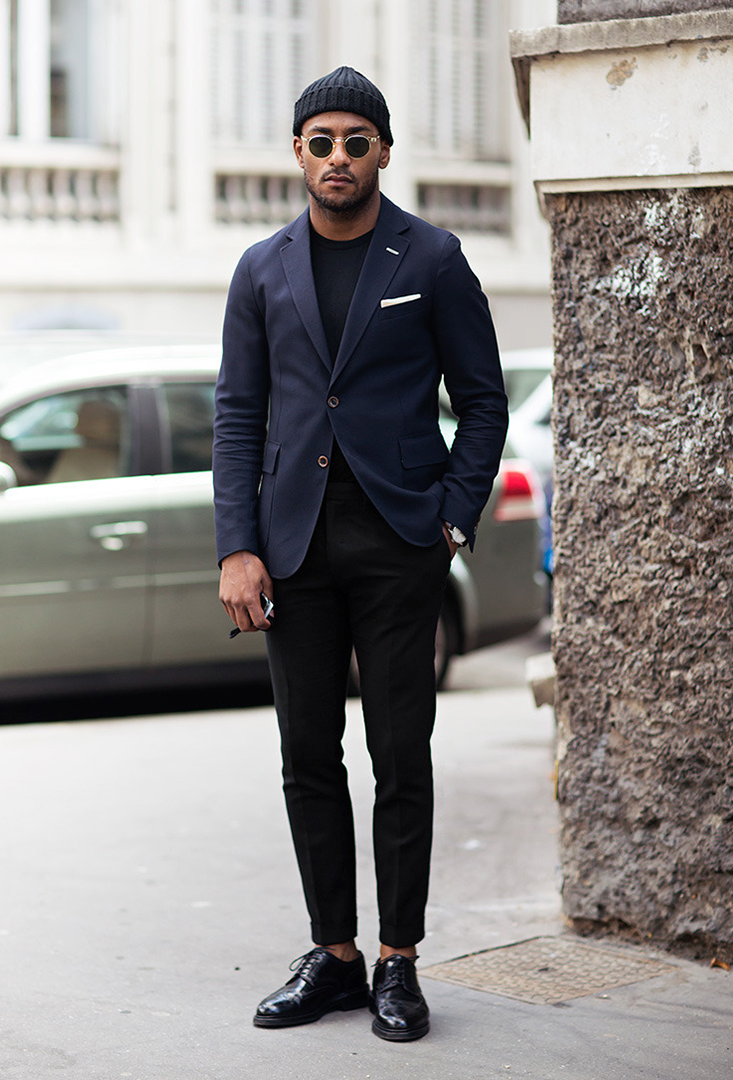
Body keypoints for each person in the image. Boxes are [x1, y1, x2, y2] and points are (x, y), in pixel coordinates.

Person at [213, 66, 508, 1042]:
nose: (337, 157)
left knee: (398, 754)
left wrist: (452, 520)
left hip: (397, 544)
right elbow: (238, 417)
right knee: (306, 757)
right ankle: (334, 955)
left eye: (354, 140)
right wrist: (237, 548)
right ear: (297, 153)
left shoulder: (429, 256)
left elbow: (482, 401)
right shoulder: (261, 268)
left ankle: (397, 961)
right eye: (319, 141)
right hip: (291, 548)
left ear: (382, 150)